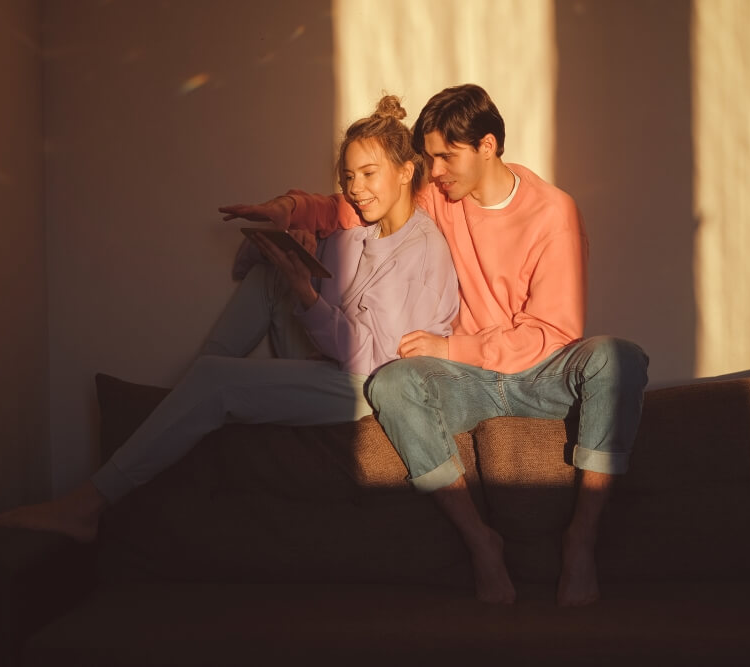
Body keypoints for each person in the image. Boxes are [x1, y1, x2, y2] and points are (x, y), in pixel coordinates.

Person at [221, 84, 649, 607]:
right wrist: (289, 209)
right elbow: (352, 208)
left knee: (618, 357)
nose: (435, 169)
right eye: (429, 157)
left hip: (539, 373)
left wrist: (452, 351)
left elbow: (553, 335)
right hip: (467, 382)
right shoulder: (443, 196)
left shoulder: (554, 213)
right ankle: (480, 543)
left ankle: (581, 541)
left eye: (446, 156)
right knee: (392, 381)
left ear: (487, 146)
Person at [0, 95, 459, 541]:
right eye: (348, 176)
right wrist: (294, 249)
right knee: (268, 280)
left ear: (406, 171)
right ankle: (192, 397)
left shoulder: (422, 251)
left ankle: (87, 505)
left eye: (368, 173)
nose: (354, 188)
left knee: (218, 378)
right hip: (338, 362)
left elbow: (371, 360)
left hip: (369, 387)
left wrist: (306, 291)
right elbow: (247, 269)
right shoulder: (358, 237)